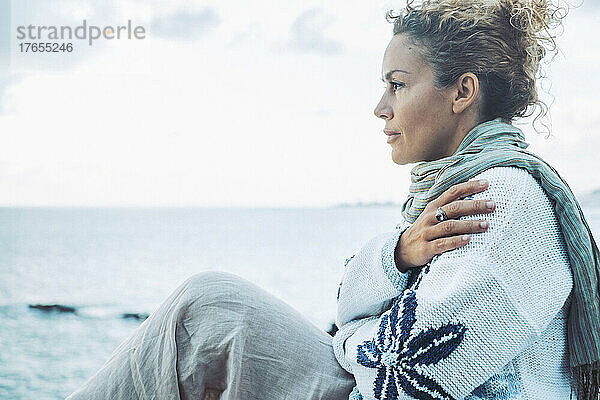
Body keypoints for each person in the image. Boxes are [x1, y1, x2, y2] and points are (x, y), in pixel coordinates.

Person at [67, 1, 600, 399]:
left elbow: (405, 375)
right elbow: (367, 317)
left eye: (397, 85)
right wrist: (395, 256)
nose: (379, 108)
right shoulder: (458, 194)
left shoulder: (498, 202)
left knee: (206, 311)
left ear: (462, 92)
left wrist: (349, 333)